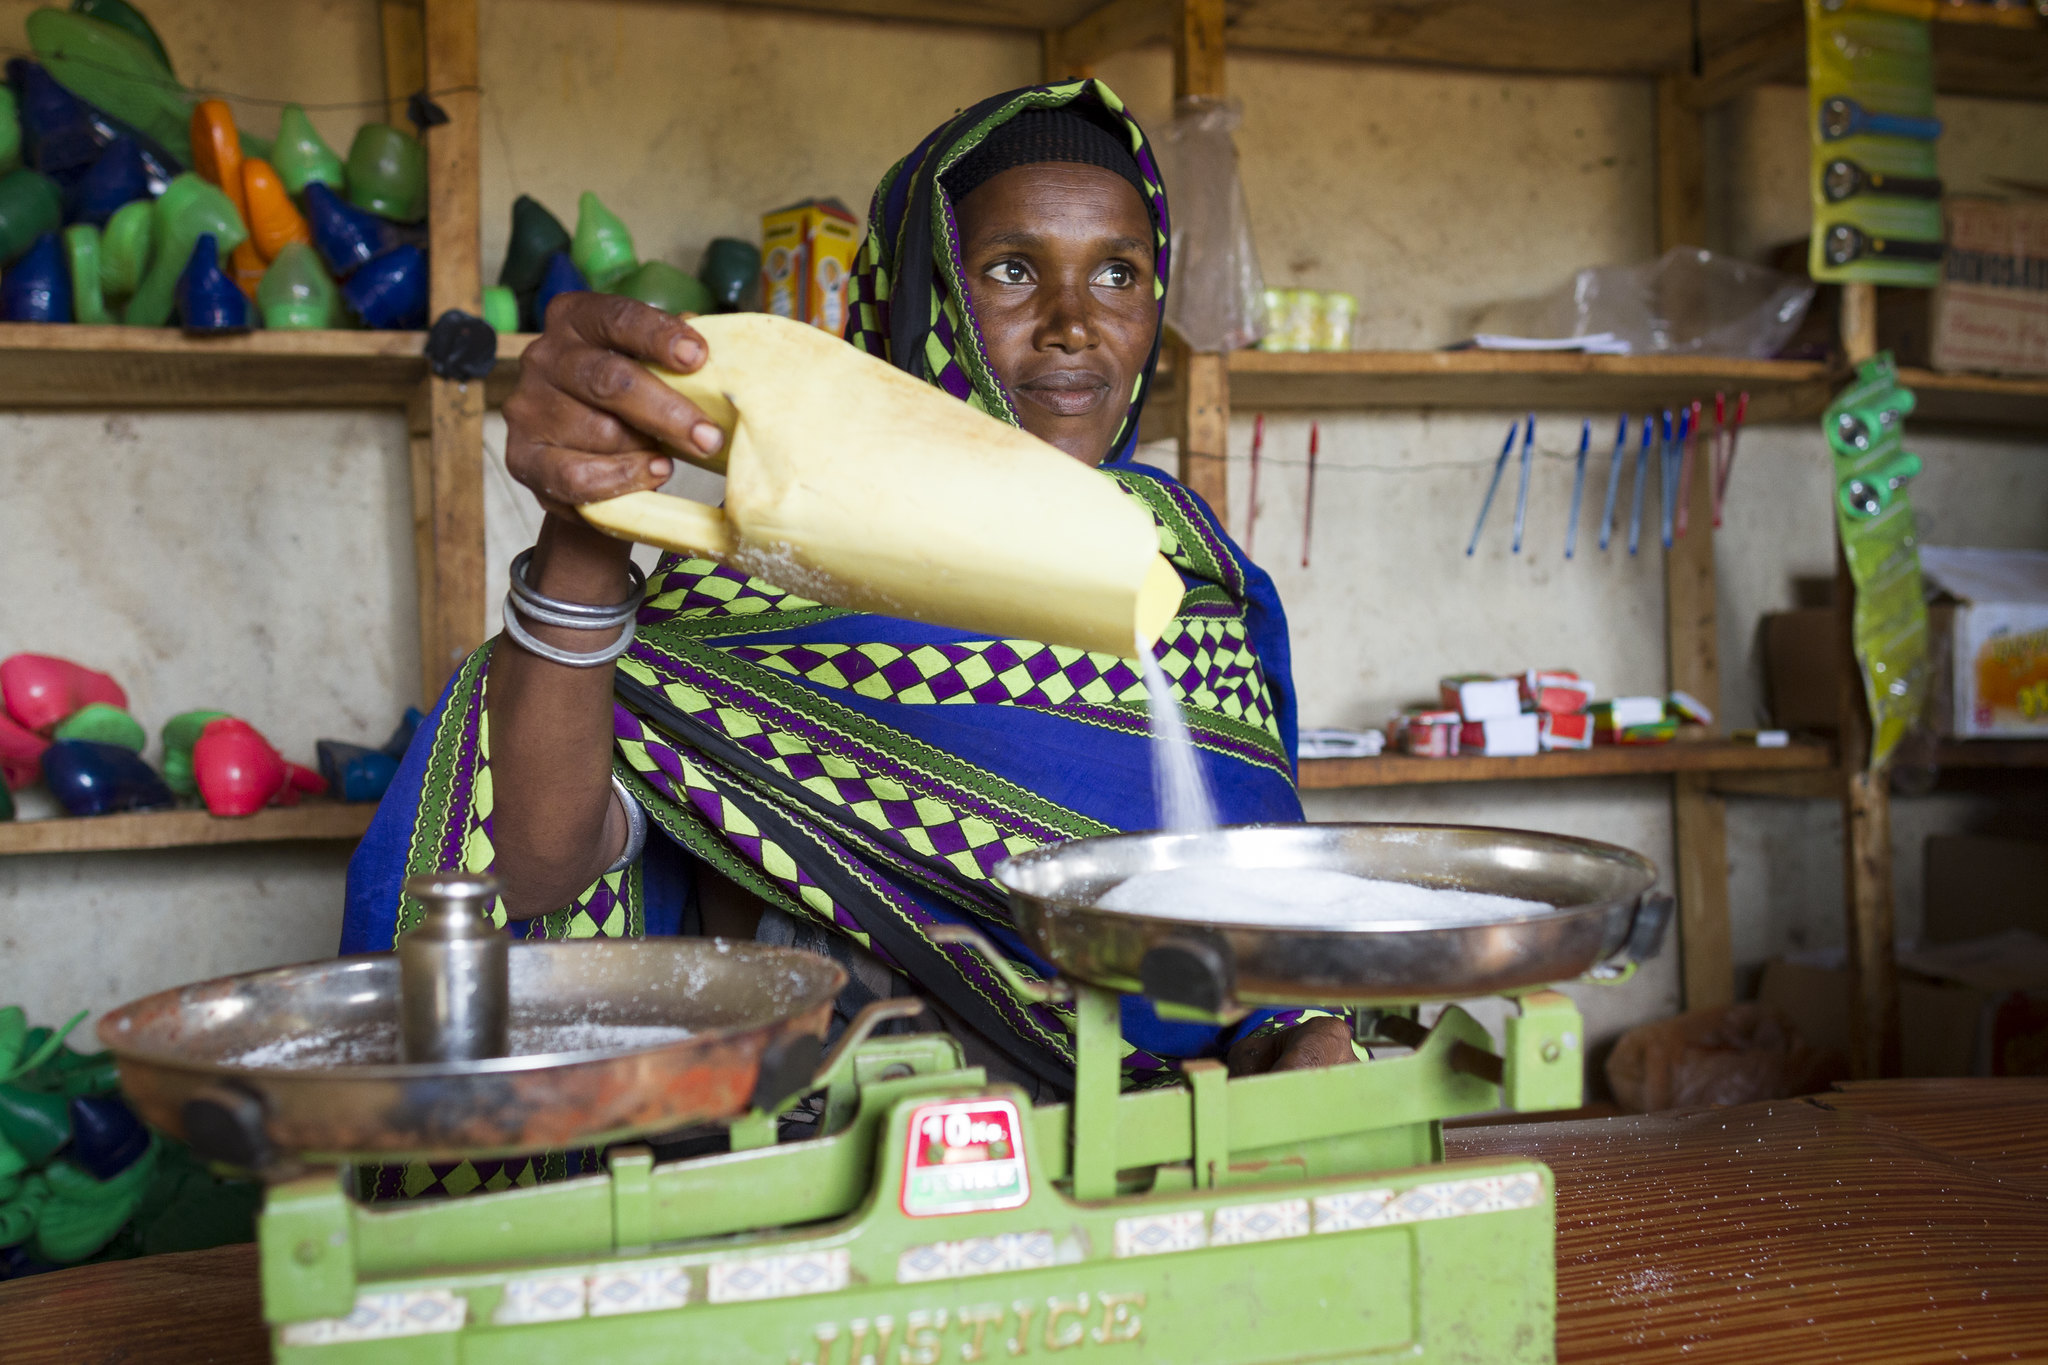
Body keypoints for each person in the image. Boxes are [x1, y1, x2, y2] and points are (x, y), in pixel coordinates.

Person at [344, 80, 1353, 1146]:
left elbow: (1249, 922)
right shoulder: (768, 575)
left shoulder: (1195, 585)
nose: (1073, 324)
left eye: (1118, 272)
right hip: (817, 1181)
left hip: (1145, 1166)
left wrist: (1301, 1030)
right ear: (921, 300)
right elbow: (538, 869)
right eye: (1011, 270)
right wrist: (587, 531)